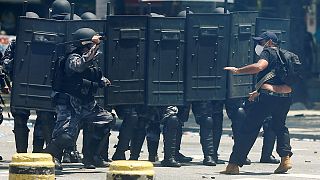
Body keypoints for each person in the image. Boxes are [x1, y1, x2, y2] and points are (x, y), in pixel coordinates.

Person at [221, 31, 293, 174]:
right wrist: (258, 91)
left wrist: (238, 70)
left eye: (261, 42)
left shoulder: (268, 52)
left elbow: (259, 67)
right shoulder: (287, 55)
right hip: (285, 97)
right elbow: (278, 77)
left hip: (268, 98)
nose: (259, 45)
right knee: (280, 126)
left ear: (270, 42)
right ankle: (285, 159)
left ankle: (234, 165)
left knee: (249, 128)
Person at [45, 27, 113, 170]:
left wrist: (103, 81)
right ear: (85, 44)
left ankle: (91, 156)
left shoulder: (91, 59)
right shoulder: (72, 57)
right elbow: (80, 66)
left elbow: (93, 74)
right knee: (66, 135)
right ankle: (52, 157)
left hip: (86, 102)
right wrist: (95, 46)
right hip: (69, 103)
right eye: (91, 44)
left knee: (106, 119)